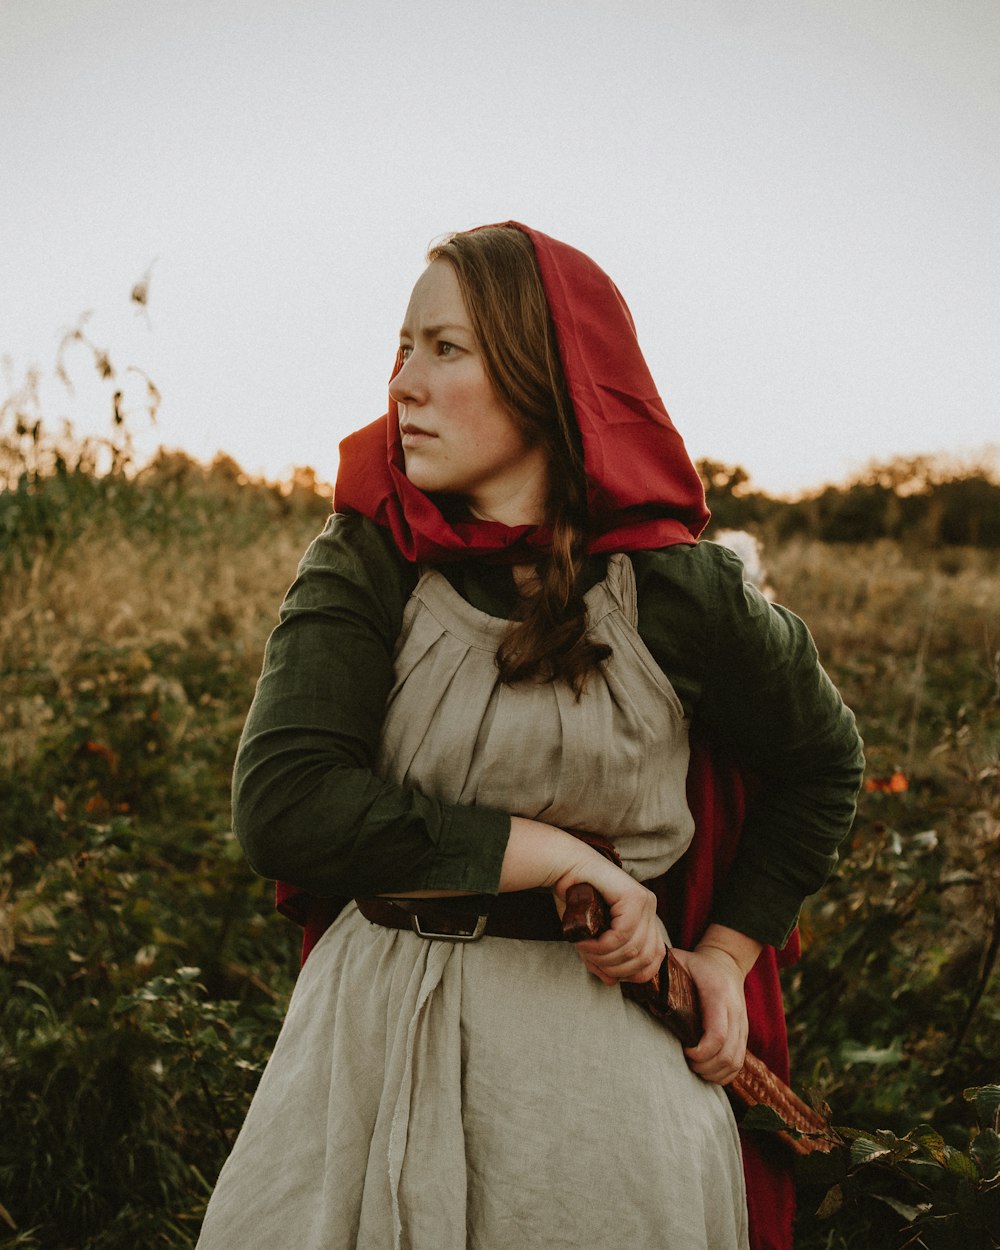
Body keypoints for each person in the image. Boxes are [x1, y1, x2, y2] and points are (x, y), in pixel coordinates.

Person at [196, 222, 864, 1250]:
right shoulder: (370, 551)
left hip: (598, 1085)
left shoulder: (680, 587)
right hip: (374, 1047)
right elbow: (288, 805)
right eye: (402, 346)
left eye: (445, 348)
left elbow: (821, 761)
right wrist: (553, 851)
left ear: (546, 375)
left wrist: (726, 954)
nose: (403, 382)